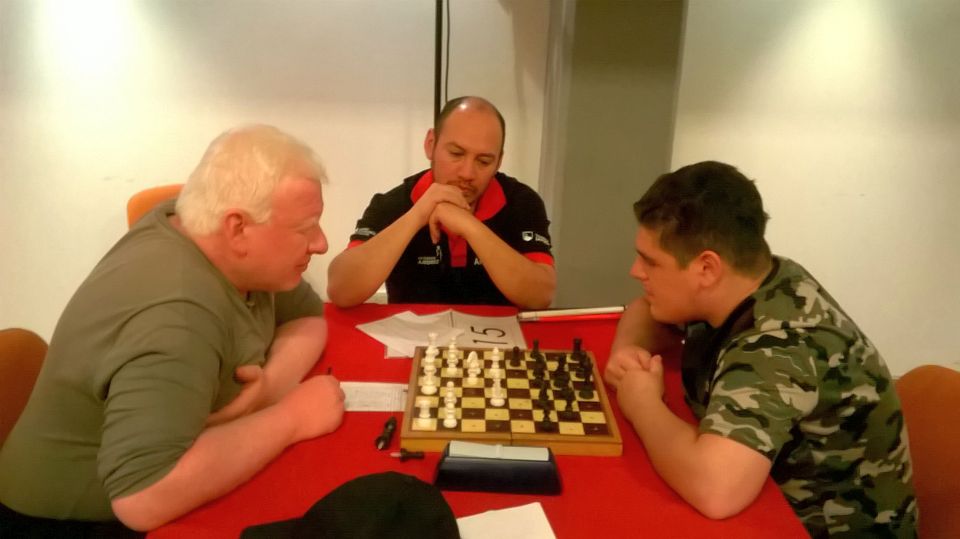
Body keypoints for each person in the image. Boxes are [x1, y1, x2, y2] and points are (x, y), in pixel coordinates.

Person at [0, 125, 345, 536]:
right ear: (237, 228)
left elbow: (307, 316)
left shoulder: (195, 225)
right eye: (305, 228)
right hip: (73, 521)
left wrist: (269, 389)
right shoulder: (176, 316)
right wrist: (291, 418)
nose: (321, 243)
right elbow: (142, 497)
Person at [604, 161, 916, 537]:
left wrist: (642, 403)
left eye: (651, 262)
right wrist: (628, 349)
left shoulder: (782, 342)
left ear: (707, 269)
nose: (636, 271)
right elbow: (645, 310)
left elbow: (716, 490)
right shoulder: (749, 280)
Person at [327, 96, 556, 308]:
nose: (467, 173)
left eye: (484, 161)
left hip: (497, 339)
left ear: (499, 162)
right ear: (431, 144)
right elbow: (341, 291)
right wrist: (417, 215)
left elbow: (541, 296)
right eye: (456, 153)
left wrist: (469, 226)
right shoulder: (391, 204)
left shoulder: (522, 203)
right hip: (412, 337)